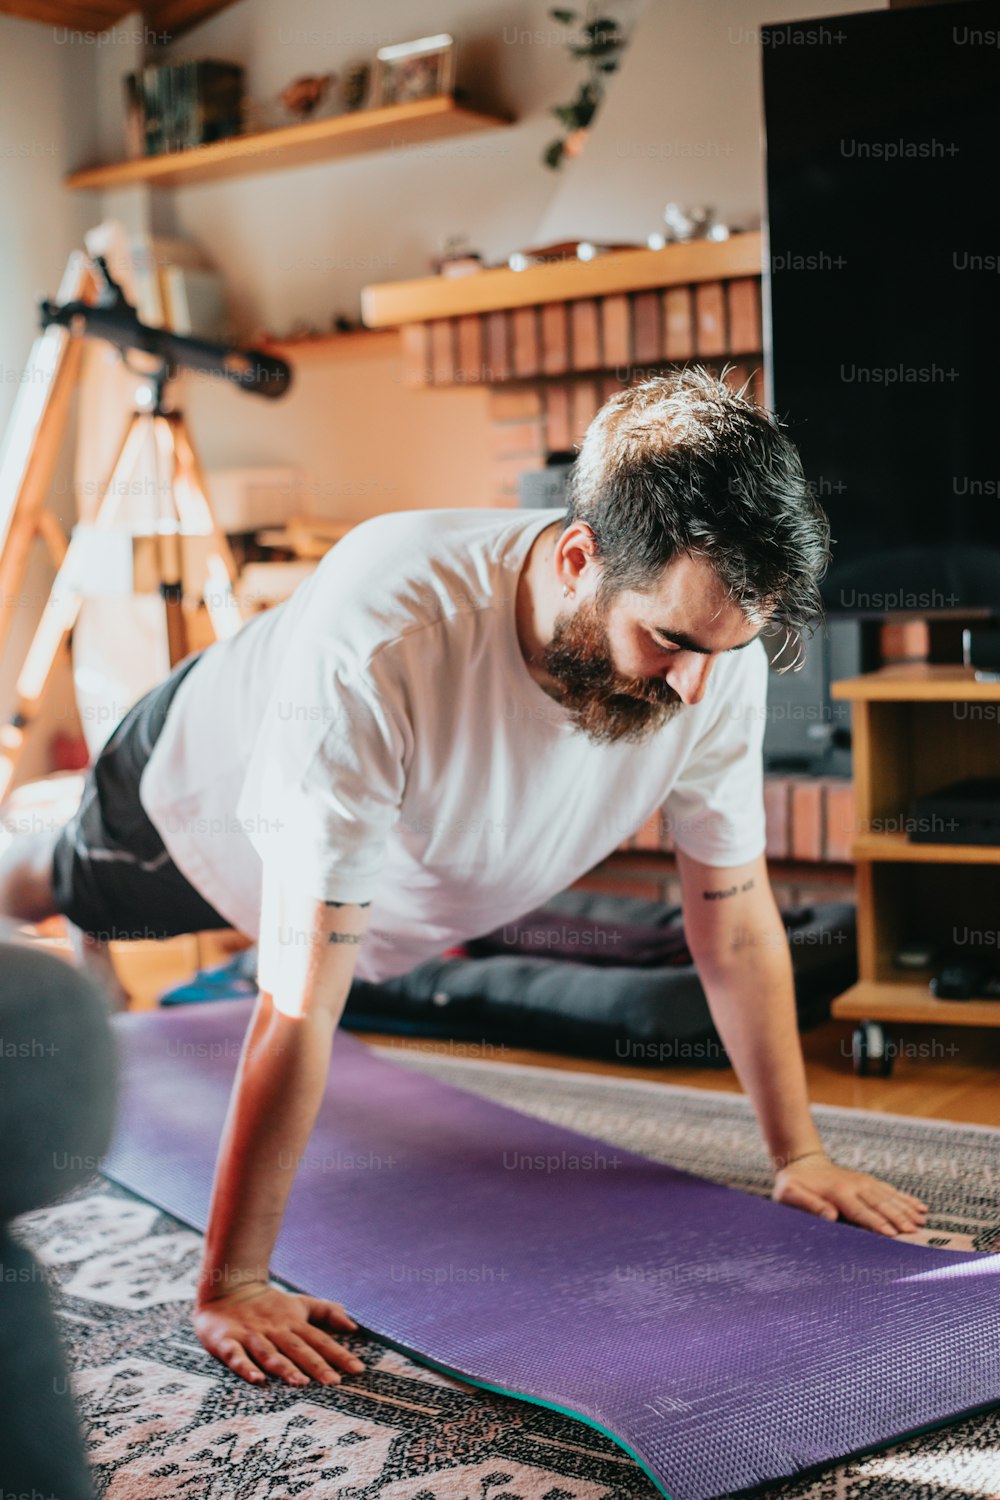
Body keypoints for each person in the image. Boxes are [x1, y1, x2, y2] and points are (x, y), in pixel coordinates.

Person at [0, 368, 928, 1390]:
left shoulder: (708, 649)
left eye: (726, 649)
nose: (698, 686)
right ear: (579, 557)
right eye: (668, 642)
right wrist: (232, 1281)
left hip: (408, 865)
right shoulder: (388, 637)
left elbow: (734, 912)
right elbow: (298, 1003)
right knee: (58, 885)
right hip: (192, 813)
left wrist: (797, 1156)